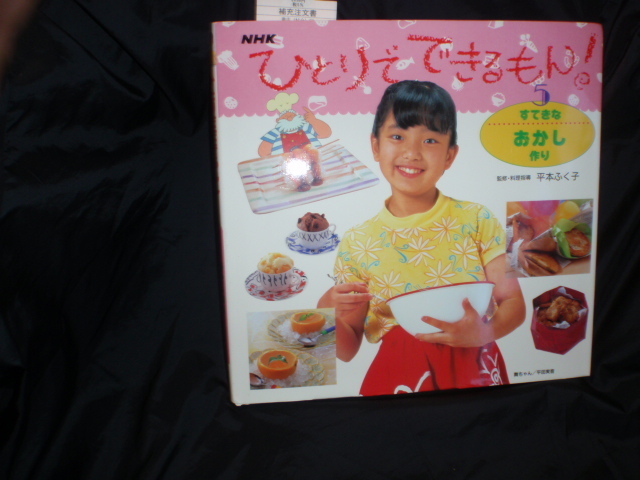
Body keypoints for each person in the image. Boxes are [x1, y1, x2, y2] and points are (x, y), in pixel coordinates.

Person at [317, 80, 525, 396]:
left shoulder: (477, 218)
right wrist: (325, 311)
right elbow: (347, 350)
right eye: (397, 136)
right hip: (398, 374)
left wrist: (484, 332)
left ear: (450, 155)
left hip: (475, 366)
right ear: (376, 146)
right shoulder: (358, 241)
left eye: (430, 140)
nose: (412, 153)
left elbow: (513, 303)